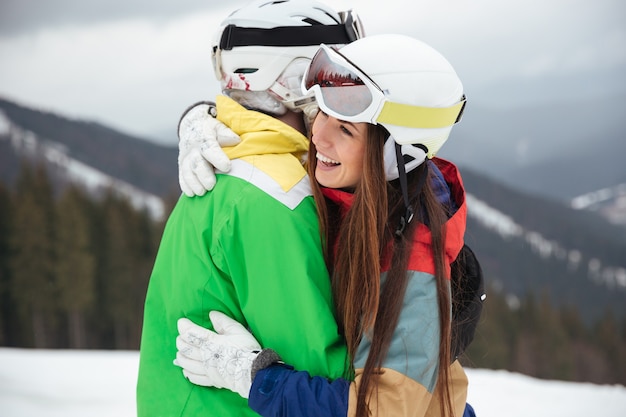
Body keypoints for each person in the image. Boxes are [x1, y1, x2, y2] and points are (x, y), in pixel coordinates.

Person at [174, 34, 476, 417]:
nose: (317, 136)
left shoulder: (414, 267)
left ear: (393, 156)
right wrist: (199, 119)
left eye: (345, 130)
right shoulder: (347, 185)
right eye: (320, 113)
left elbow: (380, 411)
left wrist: (254, 378)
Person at [136, 1, 364, 416]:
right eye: (336, 77)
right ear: (293, 82)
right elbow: (317, 366)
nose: (348, 95)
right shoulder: (276, 196)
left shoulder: (230, 164)